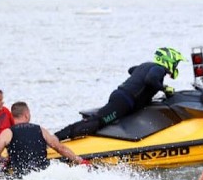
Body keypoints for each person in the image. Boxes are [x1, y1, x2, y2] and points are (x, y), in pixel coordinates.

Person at [54, 47, 184, 141]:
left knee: (100, 120)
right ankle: (57, 137)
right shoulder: (158, 69)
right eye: (176, 63)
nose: (176, 66)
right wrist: (164, 89)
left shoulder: (147, 65)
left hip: (121, 97)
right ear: (169, 60)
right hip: (124, 102)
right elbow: (150, 80)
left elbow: (131, 70)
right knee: (97, 122)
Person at [0, 101, 87, 178]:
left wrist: (4, 160)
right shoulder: (40, 130)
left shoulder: (7, 133)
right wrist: (80, 161)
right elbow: (60, 148)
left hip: (20, 176)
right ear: (26, 115)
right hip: (42, 174)